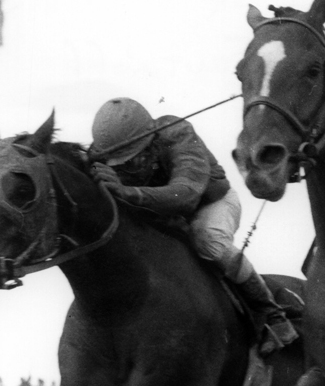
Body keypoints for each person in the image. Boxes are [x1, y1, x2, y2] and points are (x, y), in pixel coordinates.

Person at [88, 98, 298, 354]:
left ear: (151, 140)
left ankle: (271, 312)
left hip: (211, 204)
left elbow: (185, 195)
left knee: (206, 238)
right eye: (119, 165)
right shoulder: (100, 154)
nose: (129, 168)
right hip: (163, 217)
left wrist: (130, 193)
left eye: (133, 160)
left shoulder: (178, 135)